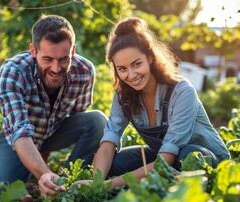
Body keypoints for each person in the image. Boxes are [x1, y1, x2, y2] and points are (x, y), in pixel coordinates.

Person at [93, 17, 230, 188]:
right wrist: (95, 184)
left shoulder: (182, 92)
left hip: (206, 160)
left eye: (136, 64)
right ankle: (161, 182)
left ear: (150, 58)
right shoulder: (123, 97)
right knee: (117, 162)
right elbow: (108, 144)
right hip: (165, 157)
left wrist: (108, 185)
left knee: (188, 156)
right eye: (122, 69)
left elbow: (166, 159)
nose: (131, 75)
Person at [0, 14, 107, 196]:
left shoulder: (85, 71)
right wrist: (44, 173)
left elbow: (77, 118)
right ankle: (46, 179)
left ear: (73, 51)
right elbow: (20, 132)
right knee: (2, 194)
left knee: (97, 121)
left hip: (54, 132)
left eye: (63, 59)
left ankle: (67, 185)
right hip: (18, 140)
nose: (55, 68)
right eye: (48, 59)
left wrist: (46, 170)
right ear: (33, 51)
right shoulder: (13, 72)